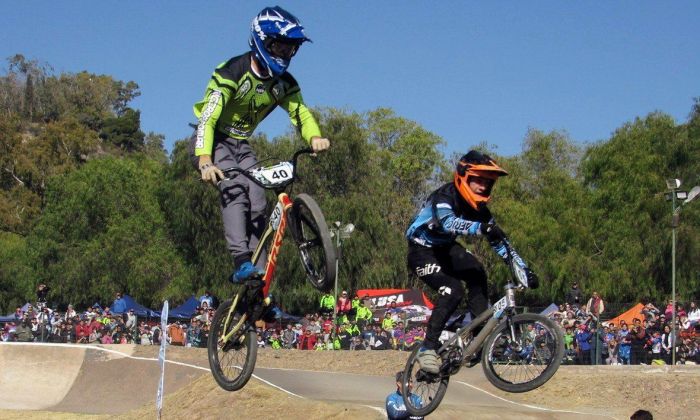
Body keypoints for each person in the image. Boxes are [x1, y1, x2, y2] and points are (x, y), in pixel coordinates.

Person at [190, 6, 330, 284]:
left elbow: (300, 112)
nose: (284, 54)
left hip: (241, 144)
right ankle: (241, 260)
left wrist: (314, 136)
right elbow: (208, 118)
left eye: (290, 49)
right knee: (234, 188)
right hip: (212, 139)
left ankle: (260, 285)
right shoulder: (232, 72)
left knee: (258, 199)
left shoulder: (284, 83)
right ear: (261, 42)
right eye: (278, 46)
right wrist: (205, 160)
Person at [405, 151, 538, 373]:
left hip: (446, 249)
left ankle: (478, 336)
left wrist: (523, 269)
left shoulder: (479, 210)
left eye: (488, 182)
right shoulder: (444, 196)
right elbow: (448, 223)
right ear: (464, 176)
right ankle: (427, 348)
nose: (483, 186)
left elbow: (500, 241)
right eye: (479, 179)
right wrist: (480, 228)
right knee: (453, 290)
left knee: (477, 271)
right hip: (421, 251)